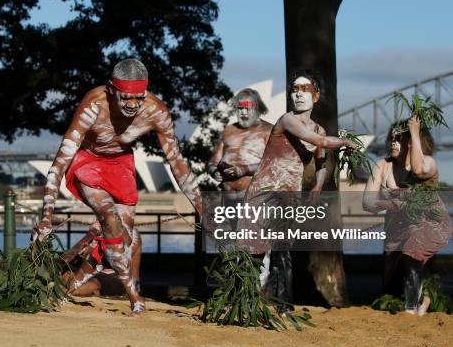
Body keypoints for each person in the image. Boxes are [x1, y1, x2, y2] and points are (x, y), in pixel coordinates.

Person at [33, 58, 203, 315]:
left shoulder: (156, 111)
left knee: (123, 238)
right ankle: (134, 296)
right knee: (109, 219)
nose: (133, 105)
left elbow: (177, 164)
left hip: (121, 164)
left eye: (139, 97)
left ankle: (64, 292)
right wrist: (46, 217)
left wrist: (203, 208)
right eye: (126, 98)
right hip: (88, 161)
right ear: (111, 88)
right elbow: (59, 163)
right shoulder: (93, 106)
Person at [241, 70, 357, 313]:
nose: (299, 94)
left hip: (289, 196)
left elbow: (321, 161)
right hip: (264, 192)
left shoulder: (320, 129)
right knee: (254, 252)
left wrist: (317, 185)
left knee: (283, 251)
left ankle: (283, 305)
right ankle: (243, 302)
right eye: (295, 89)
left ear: (316, 97)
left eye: (305, 89)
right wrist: (345, 142)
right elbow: (320, 143)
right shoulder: (287, 120)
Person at [363, 117, 451, 315]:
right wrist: (392, 203)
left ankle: (411, 310)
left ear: (411, 141)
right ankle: (423, 299)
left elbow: (419, 170)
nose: (393, 142)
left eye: (400, 138)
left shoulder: (428, 162)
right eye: (391, 138)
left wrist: (414, 131)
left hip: (430, 222)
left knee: (413, 248)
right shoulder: (382, 165)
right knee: (391, 285)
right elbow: (367, 203)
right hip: (398, 225)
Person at [208, 88, 272, 192]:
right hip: (227, 199)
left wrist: (244, 170)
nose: (243, 112)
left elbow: (273, 165)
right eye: (240, 108)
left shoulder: (269, 131)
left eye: (247, 108)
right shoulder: (228, 131)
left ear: (257, 108)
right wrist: (214, 172)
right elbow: (213, 162)